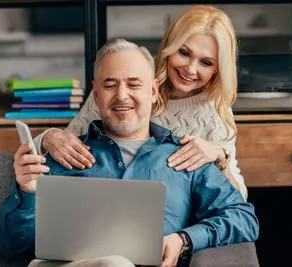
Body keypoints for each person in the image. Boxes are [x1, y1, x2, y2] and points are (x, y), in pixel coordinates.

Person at [0, 38, 259, 267]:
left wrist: (184, 239)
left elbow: (244, 219)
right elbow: (12, 247)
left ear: (153, 91)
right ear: (96, 94)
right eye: (110, 85)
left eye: (134, 84)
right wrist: (28, 193)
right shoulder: (64, 154)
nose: (122, 96)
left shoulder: (187, 156)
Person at [33, 5, 248, 200]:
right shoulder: (122, 82)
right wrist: (47, 138)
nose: (190, 69)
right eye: (184, 53)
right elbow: (67, 145)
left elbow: (238, 200)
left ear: (218, 68)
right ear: (169, 46)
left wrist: (221, 157)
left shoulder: (215, 110)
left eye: (206, 62)